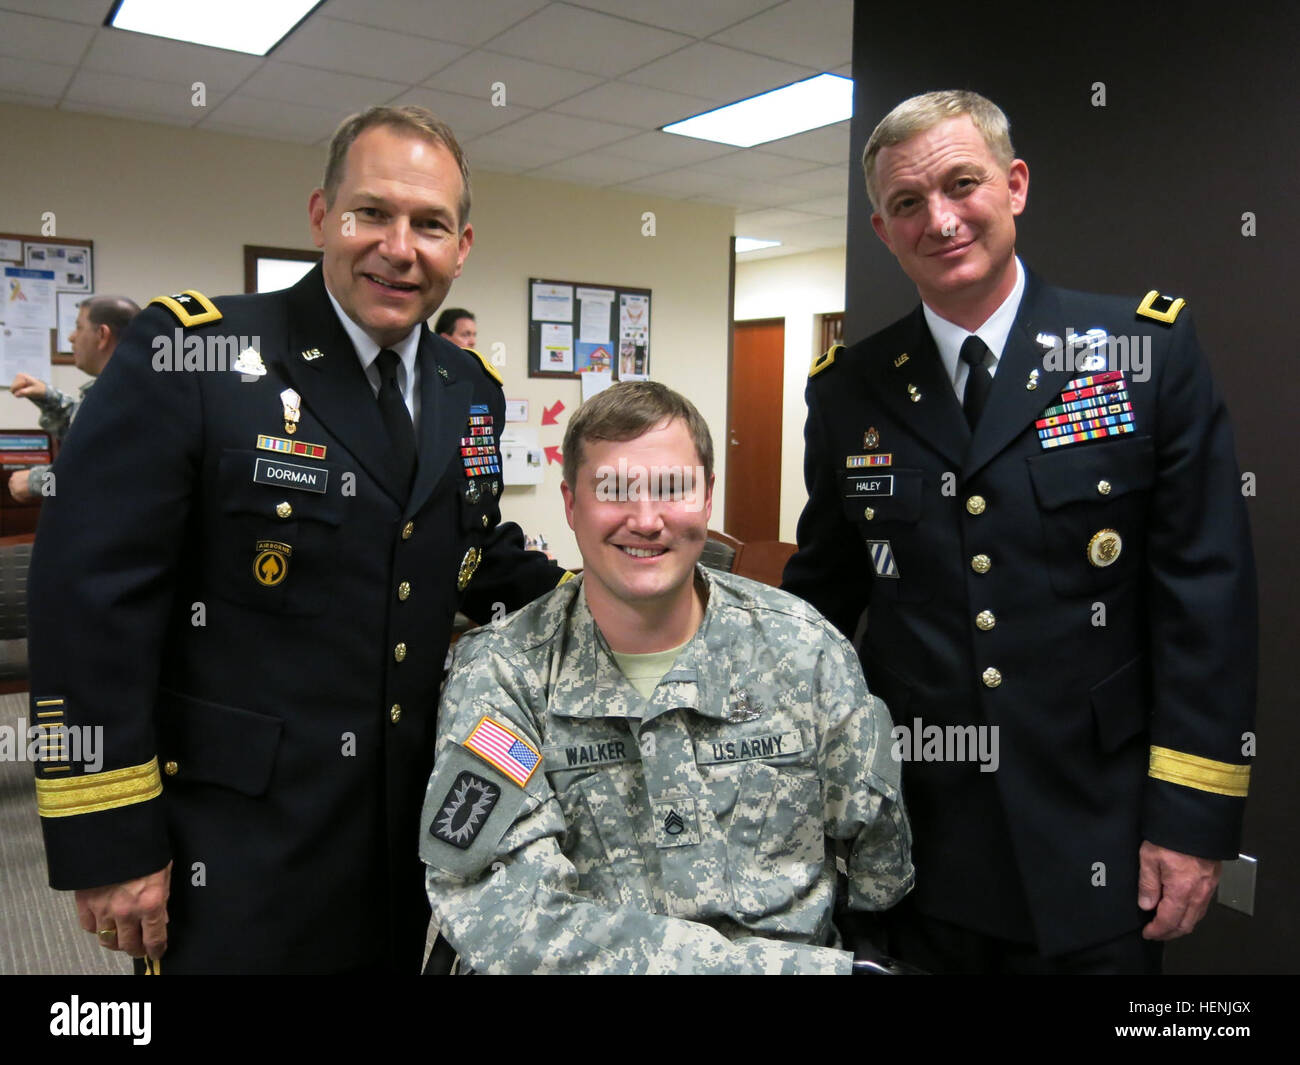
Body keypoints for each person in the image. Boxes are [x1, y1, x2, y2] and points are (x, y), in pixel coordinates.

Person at [28, 105, 569, 974]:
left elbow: (467, 551)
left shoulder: (466, 384)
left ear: (461, 247)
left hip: (402, 832)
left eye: (430, 223)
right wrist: (110, 838)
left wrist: (627, 595)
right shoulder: (195, 353)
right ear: (322, 216)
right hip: (236, 840)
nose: (400, 246)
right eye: (373, 213)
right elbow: (86, 602)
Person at [782, 90, 1256, 974]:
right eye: (908, 204)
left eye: (963, 185)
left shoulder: (1137, 350)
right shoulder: (851, 389)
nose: (942, 218)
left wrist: (1190, 820)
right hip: (916, 843)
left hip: (1099, 836)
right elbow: (820, 599)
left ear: (1016, 185)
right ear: (882, 231)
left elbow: (1207, 601)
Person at [419, 381, 912, 974]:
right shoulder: (504, 670)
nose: (646, 519)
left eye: (672, 488)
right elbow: (507, 915)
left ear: (707, 497)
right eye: (614, 490)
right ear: (571, 504)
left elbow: (877, 867)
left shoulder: (804, 648)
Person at [8, 295, 138, 501]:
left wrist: (38, 482)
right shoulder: (116, 388)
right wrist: (46, 395)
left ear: (102, 335)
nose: (71, 337)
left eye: (78, 327)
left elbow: (111, 474)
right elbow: (86, 433)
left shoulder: (131, 394)